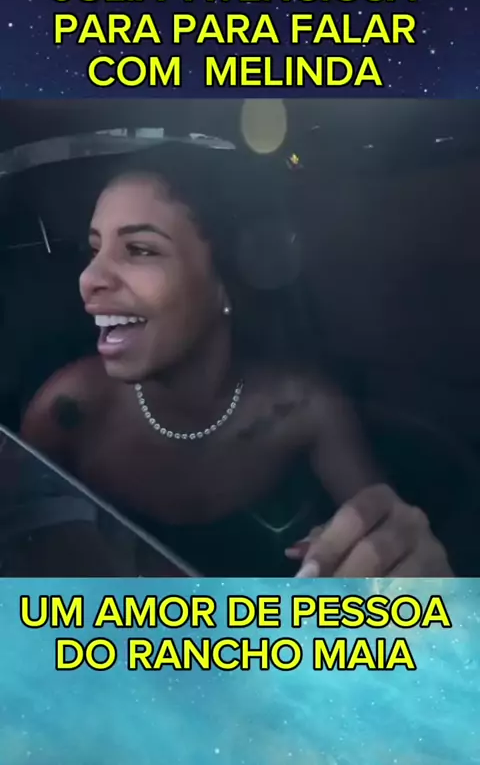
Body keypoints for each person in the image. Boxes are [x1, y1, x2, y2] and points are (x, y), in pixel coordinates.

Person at [20, 143, 453, 577]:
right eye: (94, 250)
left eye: (140, 250)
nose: (89, 279)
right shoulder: (66, 410)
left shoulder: (303, 408)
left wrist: (410, 570)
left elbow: (386, 539)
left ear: (225, 283)